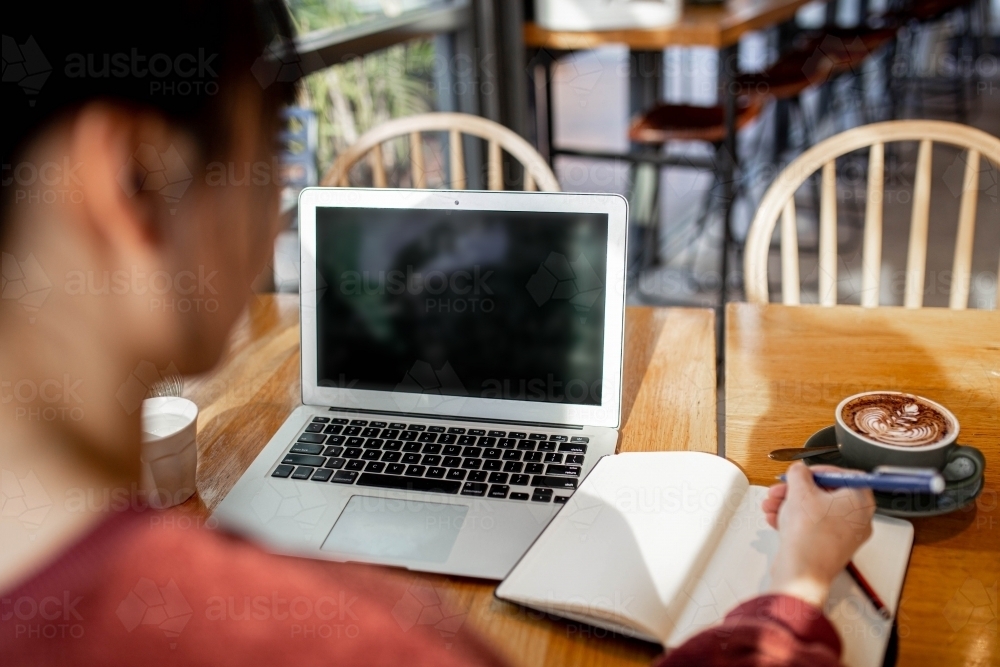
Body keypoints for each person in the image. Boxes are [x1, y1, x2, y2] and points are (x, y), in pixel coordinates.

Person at [1, 2, 876, 665]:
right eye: (267, 147)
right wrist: (798, 581)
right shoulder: (350, 639)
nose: (271, 205)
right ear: (130, 178)